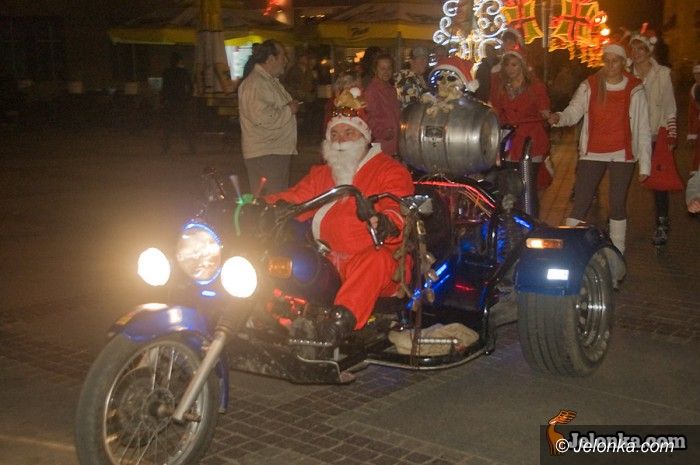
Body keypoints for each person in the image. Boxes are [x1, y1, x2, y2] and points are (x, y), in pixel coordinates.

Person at [265, 89, 414, 344]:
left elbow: (398, 207)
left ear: (364, 136)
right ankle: (271, 311)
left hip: (371, 262)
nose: (340, 141)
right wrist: (261, 205)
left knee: (376, 260)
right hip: (326, 259)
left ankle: (336, 326)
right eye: (334, 134)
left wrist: (386, 222)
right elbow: (295, 197)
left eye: (348, 133)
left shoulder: (390, 170)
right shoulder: (323, 173)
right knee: (284, 252)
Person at [548, 43, 651, 255]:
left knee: (617, 204)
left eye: (615, 61)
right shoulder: (590, 85)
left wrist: (645, 165)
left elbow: (643, 127)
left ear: (623, 63)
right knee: (581, 201)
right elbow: (574, 111)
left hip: (623, 154)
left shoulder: (635, 88)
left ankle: (618, 250)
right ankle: (567, 246)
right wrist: (560, 118)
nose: (610, 65)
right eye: (607, 60)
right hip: (593, 151)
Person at [629, 29, 678, 246]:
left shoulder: (662, 74)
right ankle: (616, 221)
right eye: (634, 49)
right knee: (622, 178)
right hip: (630, 134)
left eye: (641, 49)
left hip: (655, 133)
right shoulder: (625, 73)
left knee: (659, 182)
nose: (637, 53)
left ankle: (661, 223)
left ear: (649, 51)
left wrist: (671, 134)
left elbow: (669, 105)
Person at [490, 50, 552, 217]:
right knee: (510, 185)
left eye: (514, 65)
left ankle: (531, 220)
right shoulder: (502, 88)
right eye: (507, 65)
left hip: (531, 140)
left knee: (528, 185)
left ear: (522, 66)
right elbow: (497, 111)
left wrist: (550, 116)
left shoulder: (535, 87)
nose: (510, 69)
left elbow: (544, 110)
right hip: (511, 141)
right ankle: (513, 220)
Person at [238, 40, 299, 194]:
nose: (286, 61)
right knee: (271, 200)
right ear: (271, 59)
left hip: (273, 151)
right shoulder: (256, 83)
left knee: (275, 198)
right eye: (283, 56)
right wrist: (289, 110)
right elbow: (263, 117)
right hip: (267, 153)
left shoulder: (268, 81)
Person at [363, 53, 401, 157]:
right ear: (375, 70)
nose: (386, 72)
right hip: (381, 142)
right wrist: (383, 133)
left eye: (389, 68)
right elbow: (369, 116)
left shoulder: (391, 89)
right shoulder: (372, 91)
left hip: (393, 141)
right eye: (382, 68)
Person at [161, 52, 195, 155]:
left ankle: (166, 148)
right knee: (185, 125)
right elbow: (191, 87)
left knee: (168, 126)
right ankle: (191, 147)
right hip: (181, 102)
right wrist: (188, 98)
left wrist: (163, 100)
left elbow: (164, 88)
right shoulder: (184, 72)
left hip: (170, 102)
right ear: (179, 61)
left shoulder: (167, 72)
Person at [283, 51, 318, 132]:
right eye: (304, 58)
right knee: (300, 116)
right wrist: (297, 92)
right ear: (299, 59)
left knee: (307, 116)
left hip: (308, 98)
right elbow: (288, 84)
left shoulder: (309, 70)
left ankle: (306, 131)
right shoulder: (293, 70)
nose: (306, 60)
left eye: (306, 58)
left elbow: (312, 83)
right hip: (298, 97)